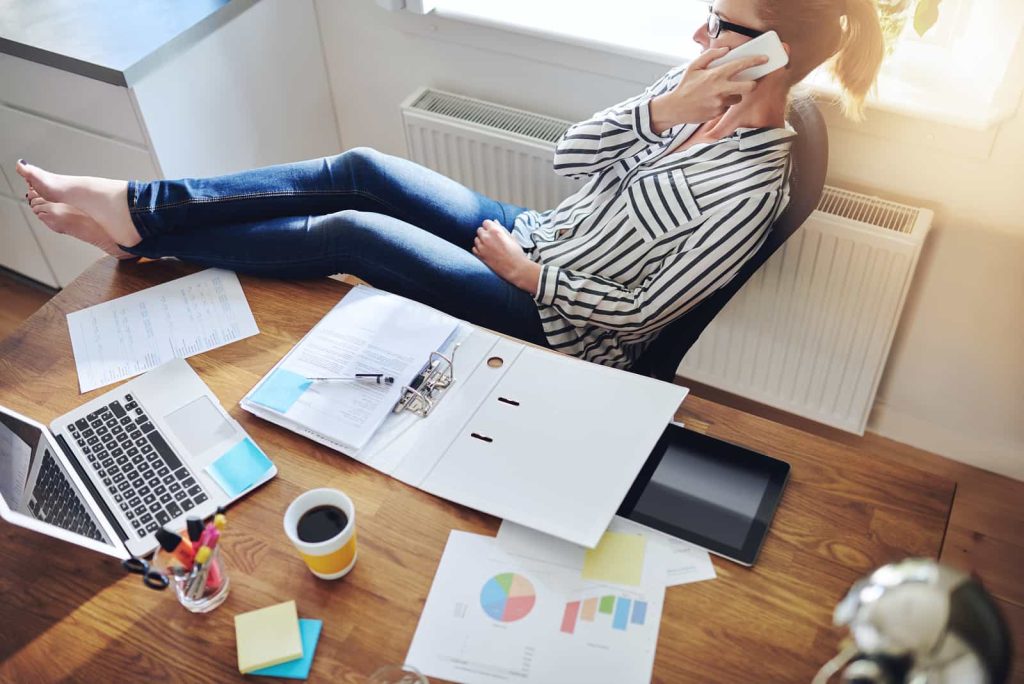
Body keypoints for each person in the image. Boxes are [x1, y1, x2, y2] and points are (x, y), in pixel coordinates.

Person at [16, 0, 887, 370]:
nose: (697, 31)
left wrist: (529, 278)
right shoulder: (695, 90)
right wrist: (663, 111)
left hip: (559, 313)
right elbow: (573, 156)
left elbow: (644, 315)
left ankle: (145, 232)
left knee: (354, 233)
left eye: (720, 24)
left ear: (770, 52)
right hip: (539, 236)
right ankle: (140, 210)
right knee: (360, 169)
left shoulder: (748, 188)